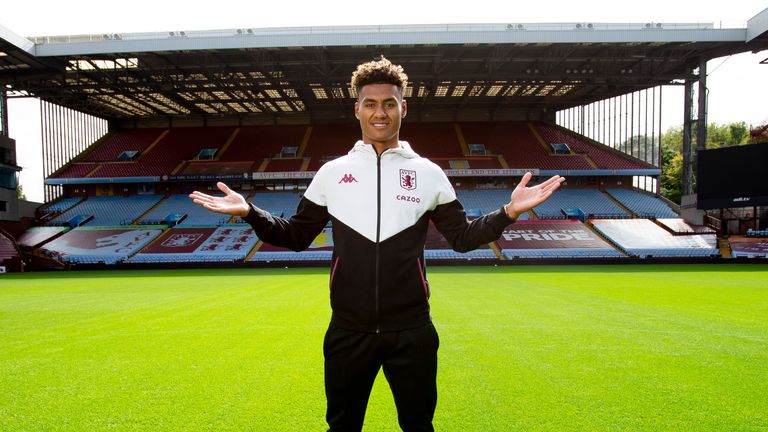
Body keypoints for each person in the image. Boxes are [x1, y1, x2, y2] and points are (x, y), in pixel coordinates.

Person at [190, 56, 564, 432]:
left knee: (418, 426)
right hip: (348, 331)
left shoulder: (429, 173)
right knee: (342, 426)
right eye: (370, 104)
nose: (379, 112)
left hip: (412, 331)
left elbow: (463, 238)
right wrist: (251, 212)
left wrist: (509, 211)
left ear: (403, 107)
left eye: (388, 103)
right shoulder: (332, 173)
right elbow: (295, 235)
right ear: (357, 110)